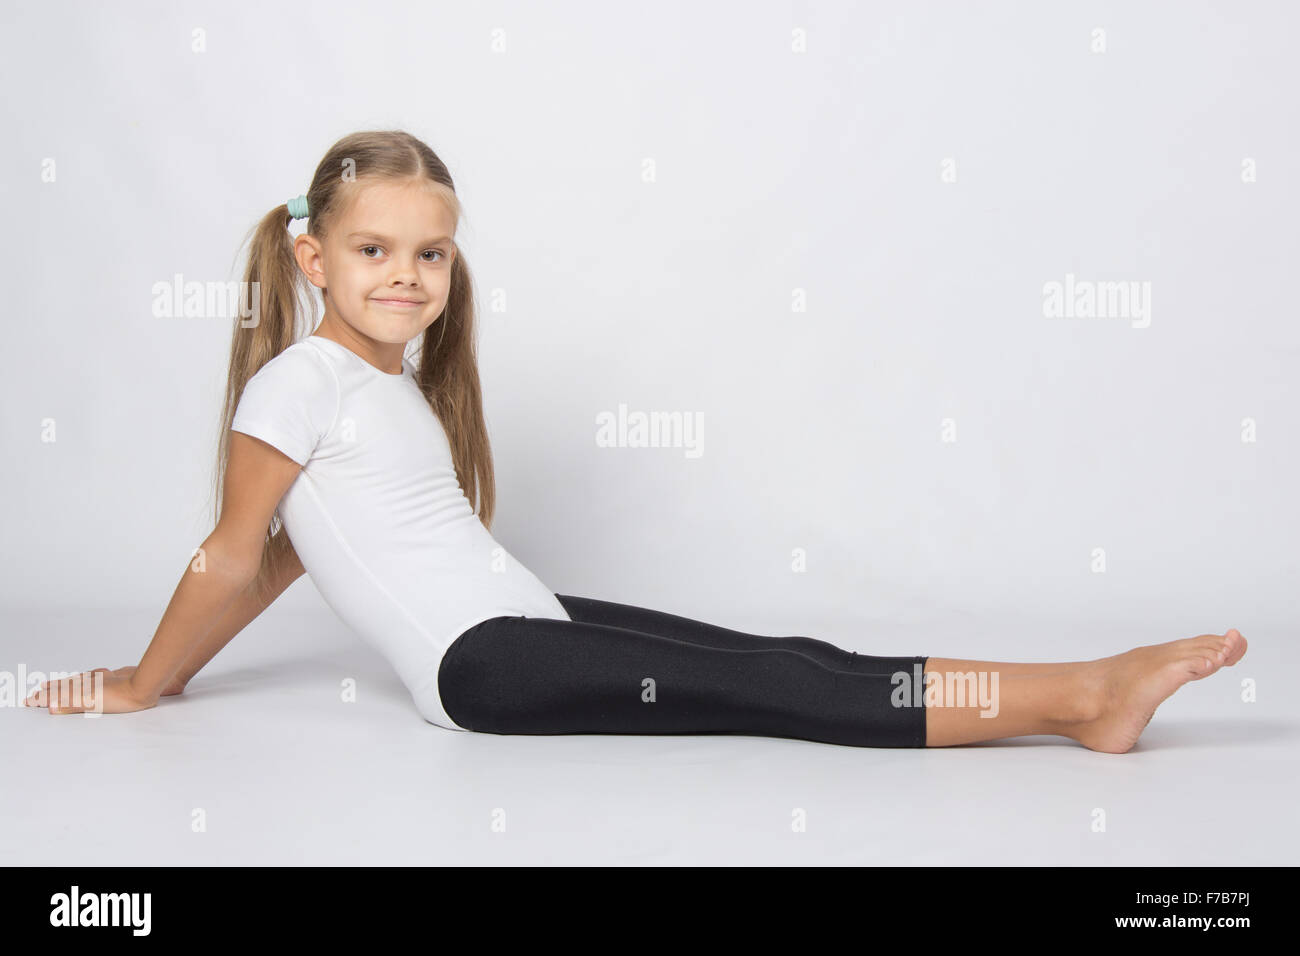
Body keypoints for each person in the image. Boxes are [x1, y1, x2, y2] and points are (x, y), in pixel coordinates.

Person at [23, 130, 1247, 753]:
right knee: (785, 689)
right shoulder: (297, 381)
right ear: (312, 257)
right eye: (373, 250)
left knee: (793, 649)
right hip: (483, 667)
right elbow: (236, 556)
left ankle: (1063, 699)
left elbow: (300, 552)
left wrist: (178, 664)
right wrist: (143, 680)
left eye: (430, 252)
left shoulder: (374, 385)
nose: (406, 275)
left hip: (525, 618)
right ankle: (1087, 694)